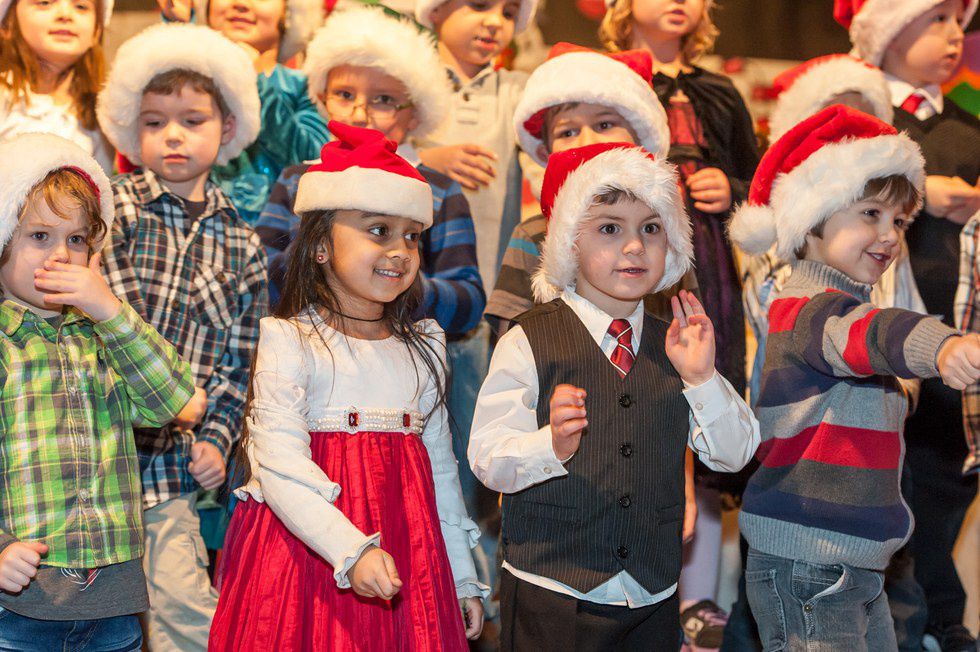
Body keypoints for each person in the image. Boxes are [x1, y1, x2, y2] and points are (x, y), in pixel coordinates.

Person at [469, 141, 760, 650]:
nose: (634, 247)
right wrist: (549, 445)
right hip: (551, 591)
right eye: (610, 228)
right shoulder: (528, 339)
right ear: (569, 243)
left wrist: (702, 379)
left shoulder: (679, 345)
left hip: (652, 593)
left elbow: (735, 454)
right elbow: (487, 457)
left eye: (651, 228)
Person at [210, 122, 487, 650]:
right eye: (378, 231)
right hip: (304, 562)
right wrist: (351, 550)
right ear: (319, 246)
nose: (401, 250)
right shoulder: (290, 340)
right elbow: (280, 466)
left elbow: (440, 473)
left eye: (412, 235)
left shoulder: (425, 347)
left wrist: (459, 574)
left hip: (406, 555)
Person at [728, 104, 980, 652]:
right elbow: (877, 334)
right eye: (870, 214)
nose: (889, 236)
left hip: (852, 562)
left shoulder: (840, 308)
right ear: (812, 217)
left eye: (899, 222)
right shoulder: (808, 308)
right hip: (810, 563)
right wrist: (943, 347)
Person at [97, 23, 268, 651]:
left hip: (170, 471)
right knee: (88, 614)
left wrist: (218, 439)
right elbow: (98, 320)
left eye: (192, 120)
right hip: (94, 455)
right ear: (130, 130)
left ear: (227, 129)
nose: (173, 134)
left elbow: (238, 368)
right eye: (155, 121)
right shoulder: (109, 210)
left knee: (184, 613)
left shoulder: (244, 245)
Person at [0, 133, 194, 650]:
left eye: (77, 240)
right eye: (39, 235)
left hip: (114, 605)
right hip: (17, 608)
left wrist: (110, 310)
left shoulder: (108, 335)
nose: (61, 255)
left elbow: (170, 399)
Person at [837, 1, 980, 648]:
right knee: (886, 486)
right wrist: (920, 193)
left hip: (959, 343)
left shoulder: (968, 130)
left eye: (959, 21)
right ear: (889, 29)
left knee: (946, 482)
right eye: (935, 19)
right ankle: (903, 623)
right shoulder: (863, 120)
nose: (954, 35)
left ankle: (938, 621)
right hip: (878, 342)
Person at [154, 0, 328, 222]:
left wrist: (256, 81)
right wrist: (180, 26)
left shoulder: (303, 86)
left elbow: (312, 160)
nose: (241, 4)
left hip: (278, 235)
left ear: (288, 13)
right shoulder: (188, 75)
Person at [0, 0, 112, 169]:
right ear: (7, 23)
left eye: (81, 6)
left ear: (97, 30)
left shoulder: (104, 112)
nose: (65, 15)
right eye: (44, 3)